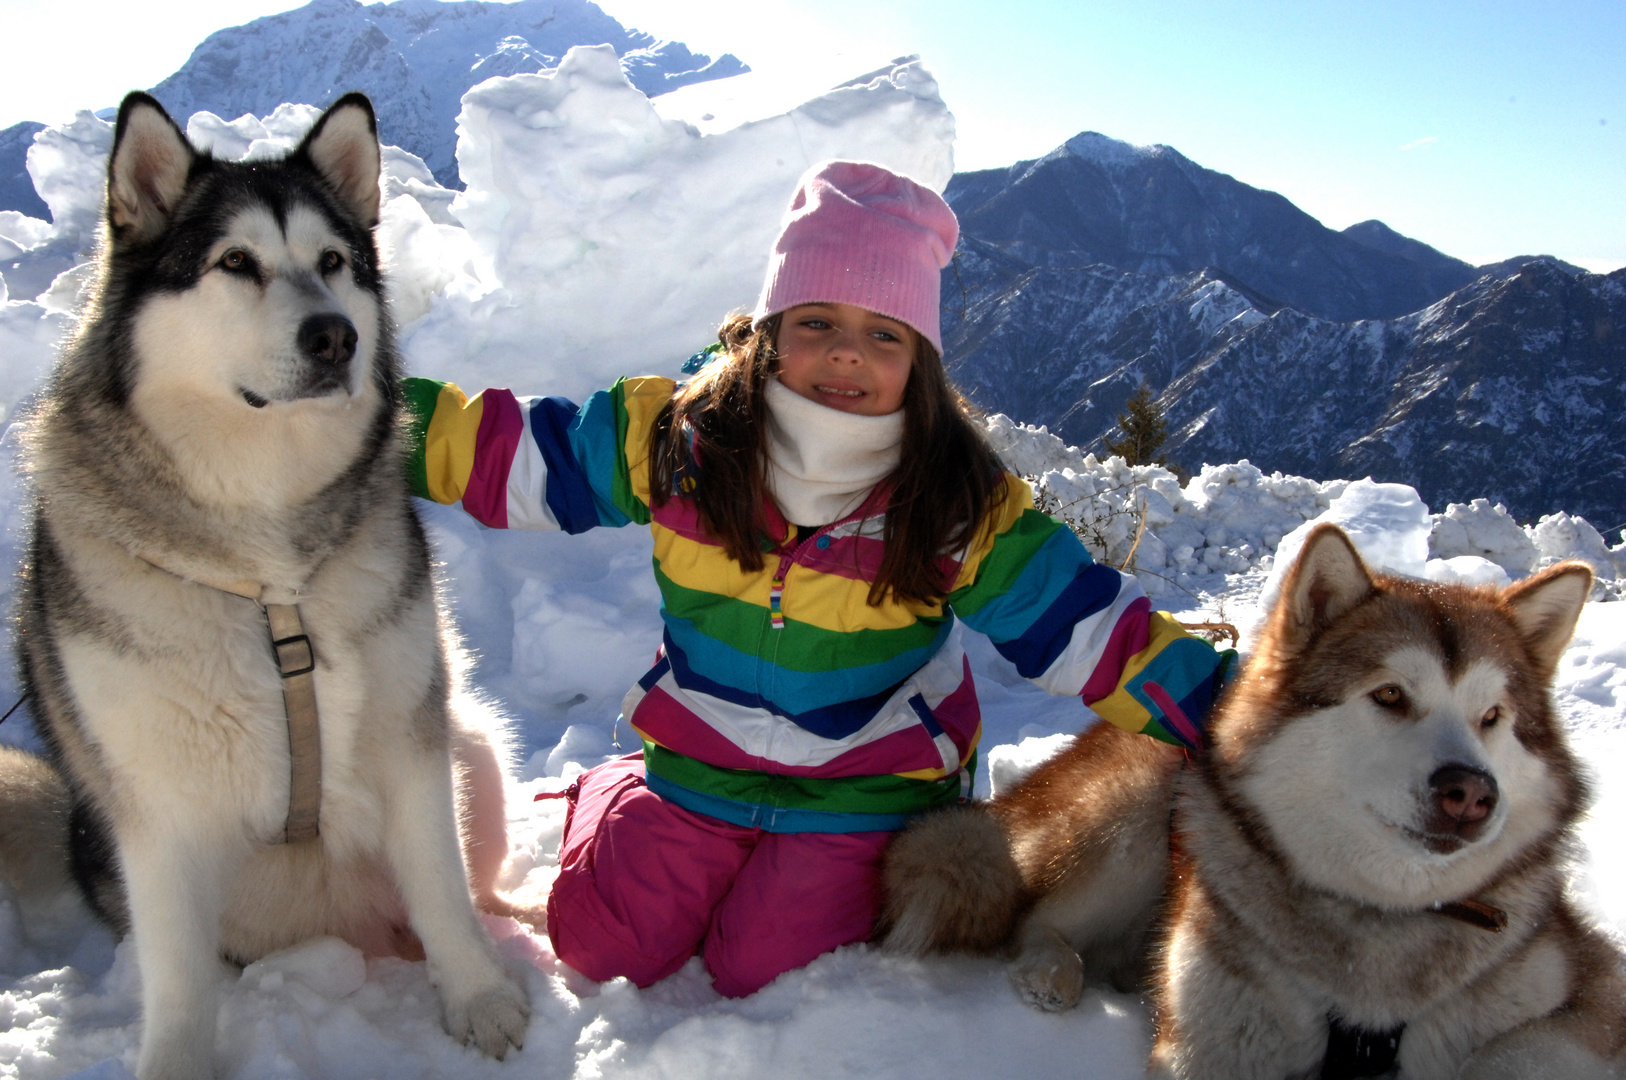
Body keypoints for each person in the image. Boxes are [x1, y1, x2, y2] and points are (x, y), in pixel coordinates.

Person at [401, 160, 1233, 998]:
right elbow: (522, 459)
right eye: (818, 320)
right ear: (769, 328)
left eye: (885, 333)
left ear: (921, 362)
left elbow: (1089, 631)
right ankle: (611, 794)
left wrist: (1244, 712)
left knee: (758, 967)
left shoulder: (949, 500)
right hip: (702, 762)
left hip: (864, 785)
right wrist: (364, 421)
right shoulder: (678, 438)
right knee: (602, 945)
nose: (846, 351)